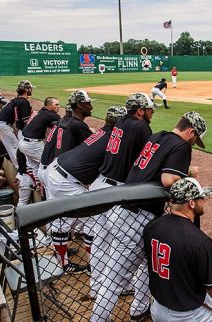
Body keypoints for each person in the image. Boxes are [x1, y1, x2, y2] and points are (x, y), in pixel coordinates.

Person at [91, 111, 207, 322]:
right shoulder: (181, 146)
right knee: (114, 279)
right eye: (195, 138)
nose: (193, 143)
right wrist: (189, 175)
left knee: (148, 262)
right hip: (136, 216)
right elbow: (168, 179)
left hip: (124, 208)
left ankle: (139, 308)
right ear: (190, 132)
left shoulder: (157, 136)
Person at [144, 178, 212, 321]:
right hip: (187, 316)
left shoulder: (152, 227)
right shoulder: (199, 241)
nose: (204, 201)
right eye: (201, 198)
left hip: (157, 309)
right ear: (191, 203)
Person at [89, 93, 155, 303]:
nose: (152, 112)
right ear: (140, 110)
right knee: (128, 243)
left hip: (100, 183)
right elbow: (149, 158)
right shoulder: (141, 126)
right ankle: (121, 291)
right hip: (116, 190)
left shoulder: (121, 121)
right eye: (150, 109)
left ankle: (96, 287)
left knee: (101, 240)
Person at [46, 106, 125, 274]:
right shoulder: (113, 140)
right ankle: (92, 268)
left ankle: (64, 263)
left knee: (63, 221)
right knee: (92, 220)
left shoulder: (101, 132)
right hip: (65, 180)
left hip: (57, 171)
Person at [19, 97, 61, 187]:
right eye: (56, 104)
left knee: (35, 167)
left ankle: (39, 185)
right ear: (49, 106)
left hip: (23, 143)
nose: (59, 106)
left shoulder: (41, 111)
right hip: (32, 145)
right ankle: (48, 186)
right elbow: (63, 122)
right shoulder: (50, 114)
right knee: (49, 164)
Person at [0, 80, 33, 169]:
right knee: (14, 147)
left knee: (15, 146)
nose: (31, 90)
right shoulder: (23, 101)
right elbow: (26, 120)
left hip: (2, 125)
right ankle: (21, 169)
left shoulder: (16, 100)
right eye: (30, 88)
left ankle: (21, 168)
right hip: (3, 126)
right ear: (26, 90)